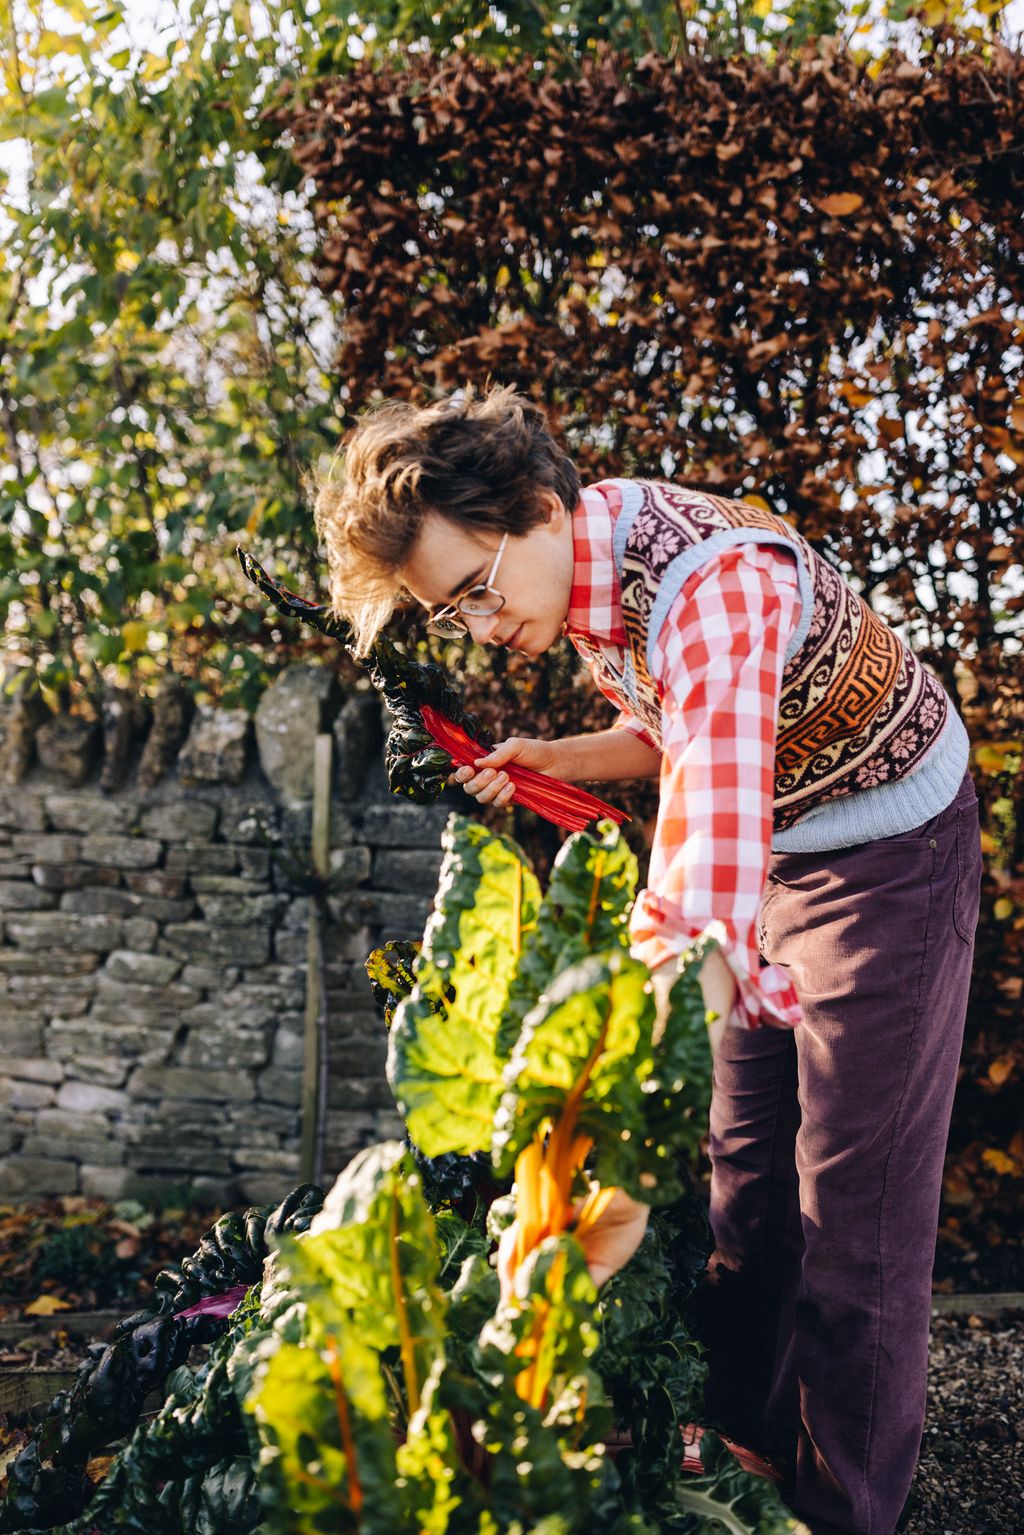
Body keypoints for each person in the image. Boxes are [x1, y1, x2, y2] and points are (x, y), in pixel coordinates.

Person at [315, 385, 982, 1535]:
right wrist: (550, 750)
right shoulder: (583, 570)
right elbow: (685, 735)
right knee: (746, 1184)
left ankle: (840, 1511)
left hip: (886, 848)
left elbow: (700, 870)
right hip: (774, 836)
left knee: (850, 1211)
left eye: (475, 591)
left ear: (534, 505)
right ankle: (743, 1461)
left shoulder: (714, 588)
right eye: (447, 613)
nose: (476, 628)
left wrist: (603, 1096)